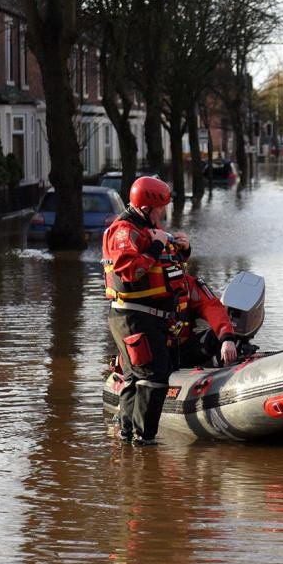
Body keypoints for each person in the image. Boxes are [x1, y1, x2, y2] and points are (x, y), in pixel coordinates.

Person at [103, 176, 237, 445]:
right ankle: (143, 440)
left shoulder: (149, 236)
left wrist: (180, 249)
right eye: (160, 209)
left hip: (154, 324)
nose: (163, 214)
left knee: (141, 377)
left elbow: (171, 275)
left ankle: (129, 438)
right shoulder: (125, 232)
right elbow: (131, 271)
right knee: (152, 378)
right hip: (134, 317)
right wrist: (157, 245)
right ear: (145, 208)